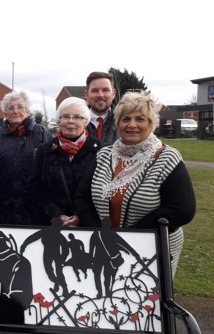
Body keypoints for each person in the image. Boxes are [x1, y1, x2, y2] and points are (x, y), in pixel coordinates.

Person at [75, 92, 196, 276]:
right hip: (105, 246)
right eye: (125, 119)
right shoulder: (104, 155)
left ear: (151, 123)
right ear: (118, 123)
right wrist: (101, 233)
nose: (132, 125)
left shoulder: (167, 158)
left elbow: (182, 209)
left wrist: (133, 235)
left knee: (147, 300)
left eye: (140, 119)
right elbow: (82, 197)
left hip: (152, 249)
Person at [27, 97, 102, 226]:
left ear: (86, 122)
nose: (70, 121)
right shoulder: (44, 151)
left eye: (77, 117)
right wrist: (56, 215)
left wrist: (81, 215)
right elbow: (34, 188)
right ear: (58, 120)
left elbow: (104, 191)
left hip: (89, 227)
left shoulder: (101, 151)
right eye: (65, 116)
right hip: (52, 227)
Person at [0, 90, 51, 225]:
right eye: (10, 108)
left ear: (28, 110)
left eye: (20, 107)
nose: (15, 111)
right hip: (4, 208)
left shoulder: (41, 133)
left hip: (36, 209)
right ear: (5, 113)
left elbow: (51, 168)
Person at [84, 71, 118, 145]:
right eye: (95, 91)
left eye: (105, 90)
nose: (100, 95)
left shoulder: (122, 123)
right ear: (87, 95)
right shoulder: (76, 124)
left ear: (113, 94)